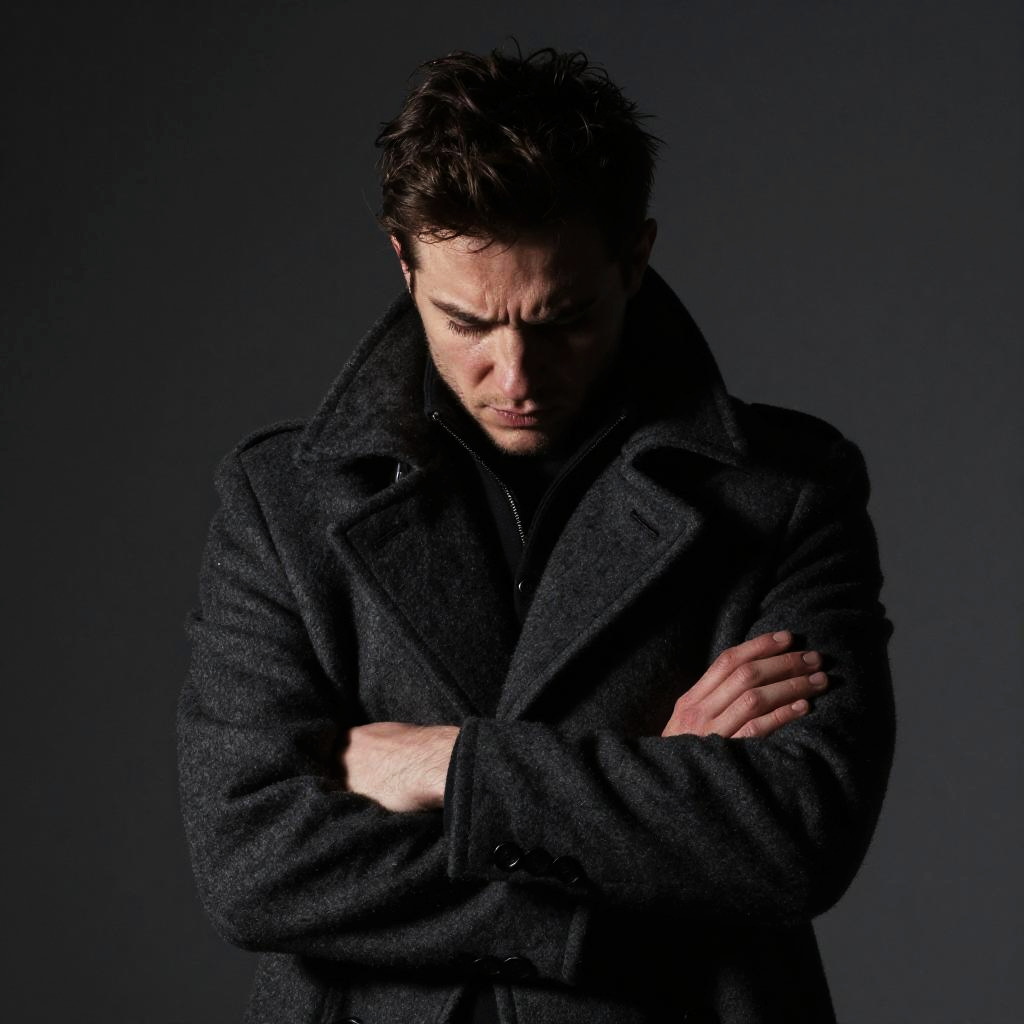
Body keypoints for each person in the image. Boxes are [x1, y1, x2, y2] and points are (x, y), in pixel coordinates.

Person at [177, 46, 895, 1024]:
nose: (514, 375)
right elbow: (252, 863)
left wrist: (447, 765)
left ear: (633, 258)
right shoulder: (280, 500)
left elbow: (792, 836)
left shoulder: (786, 490)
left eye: (562, 320)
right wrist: (647, 802)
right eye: (467, 322)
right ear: (403, 260)